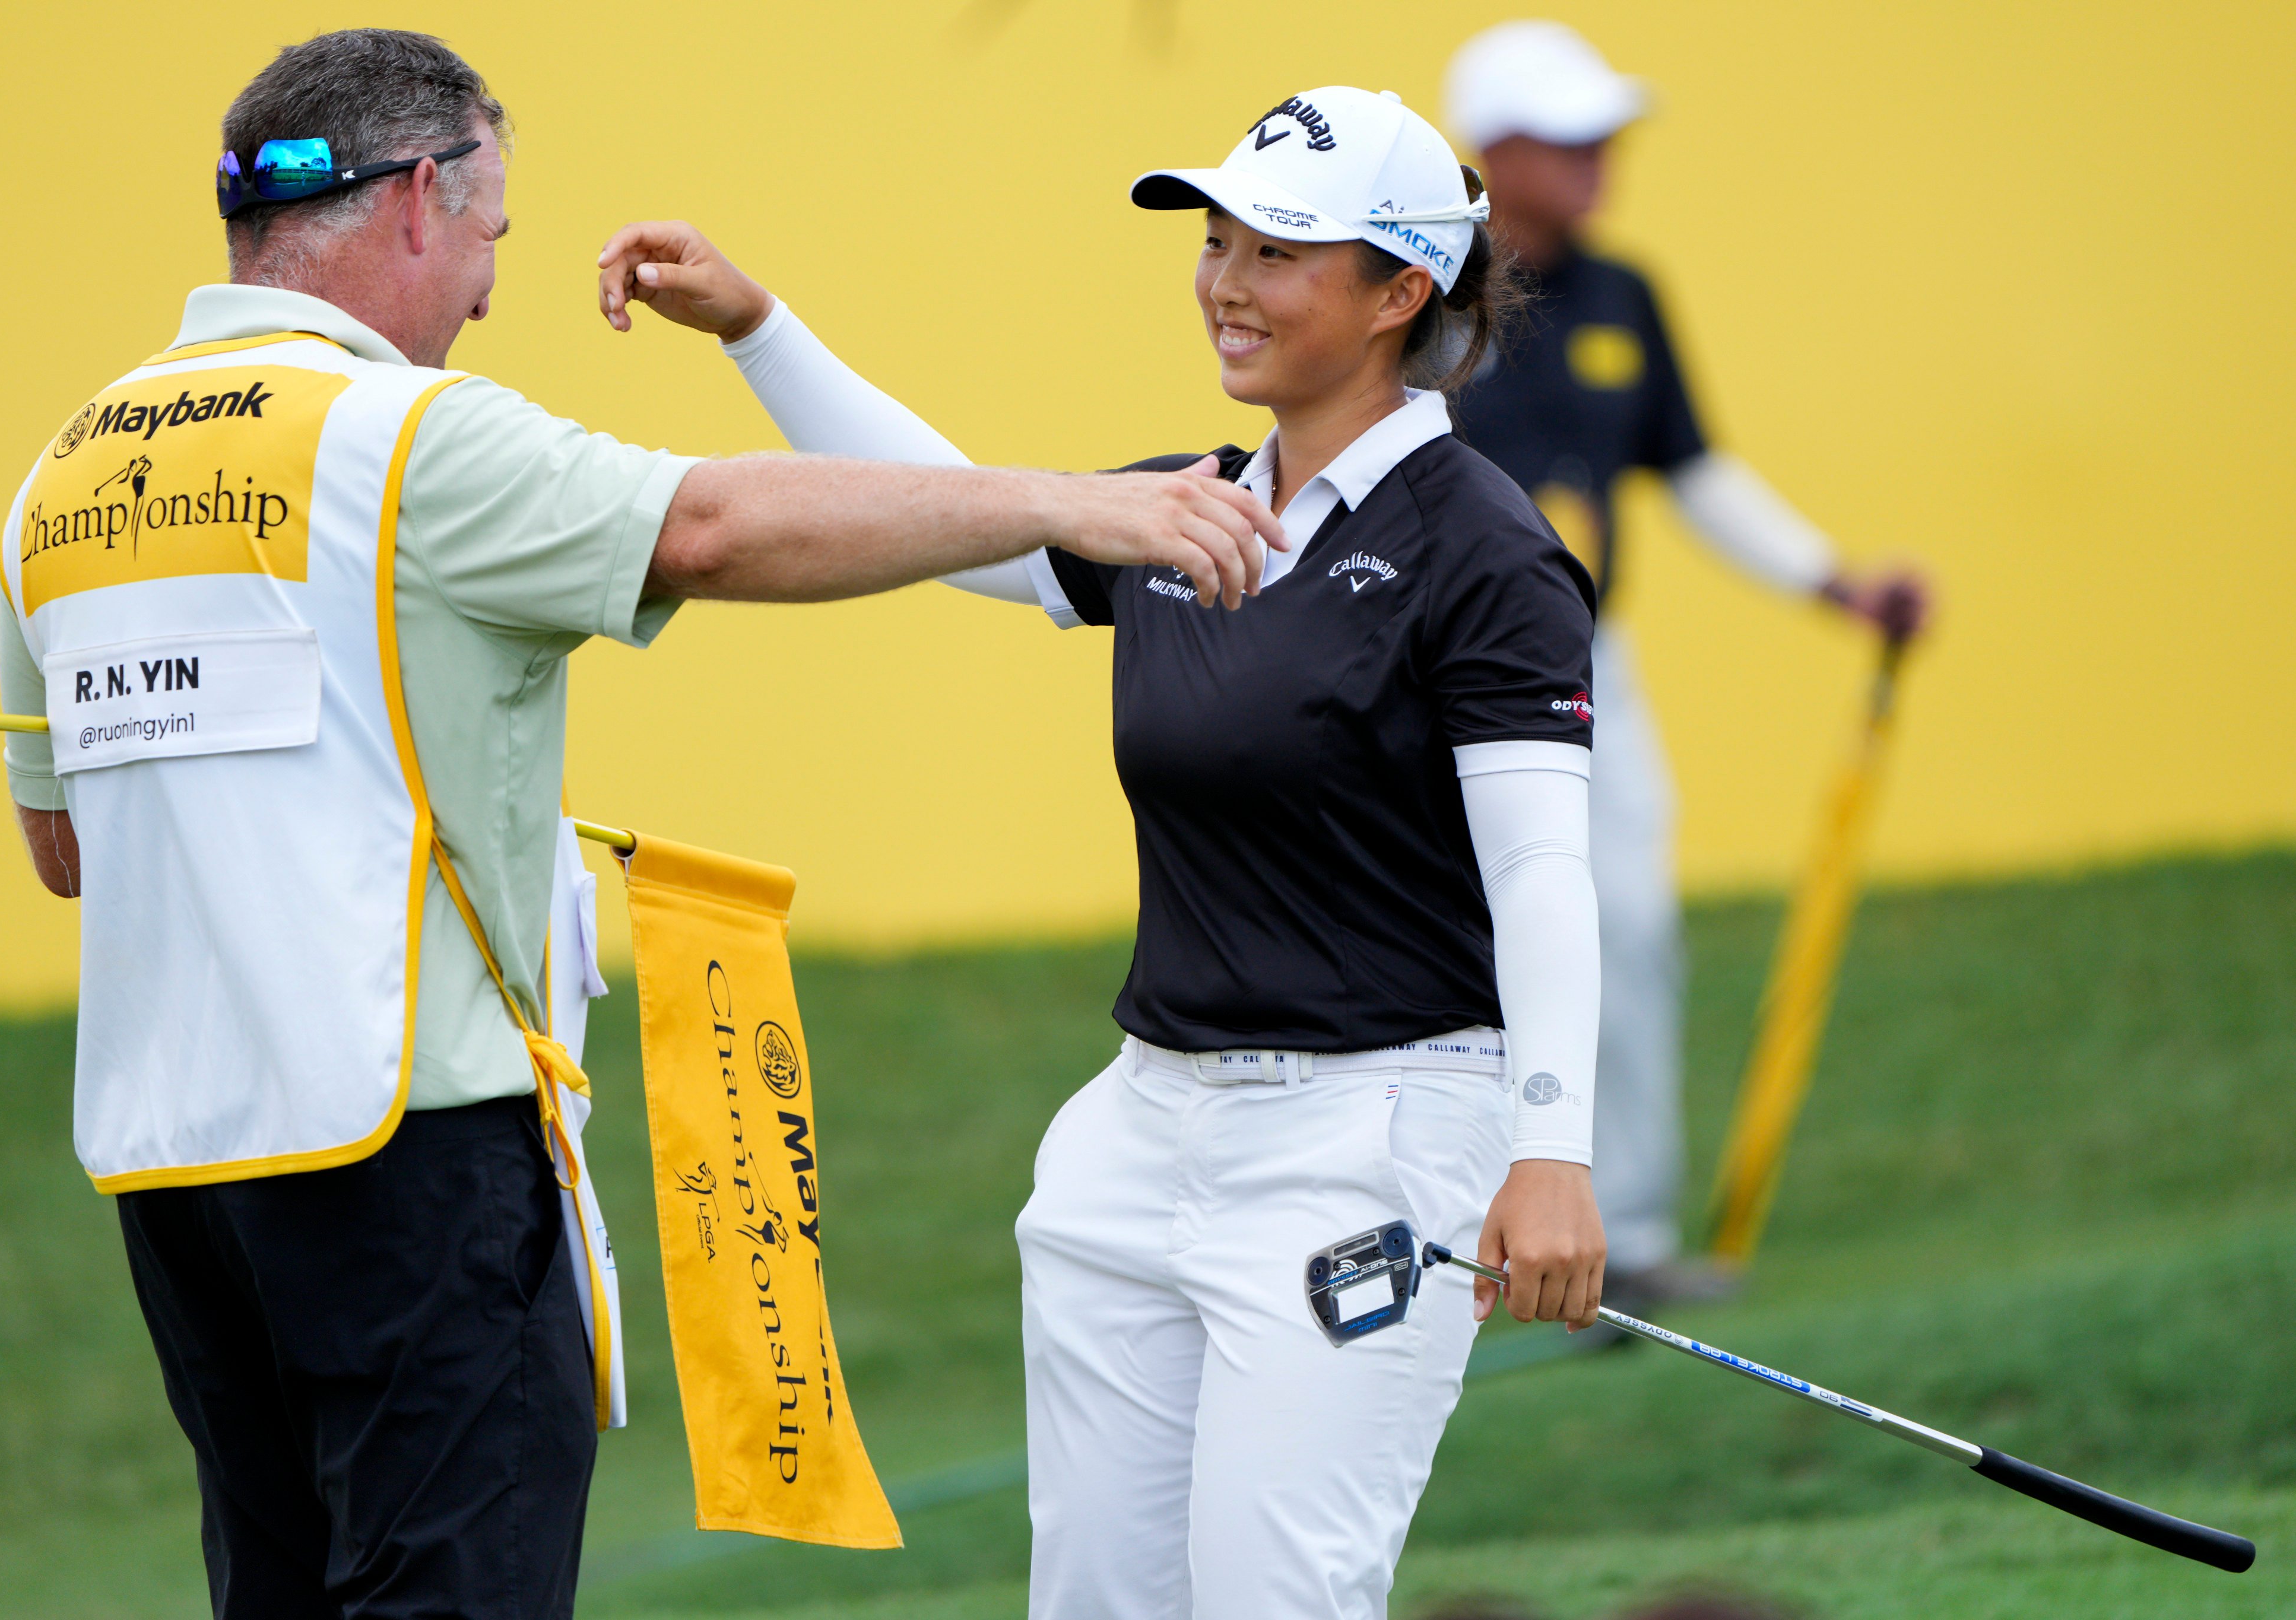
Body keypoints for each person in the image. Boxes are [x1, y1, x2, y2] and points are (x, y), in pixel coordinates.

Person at [0, 29, 1279, 1619]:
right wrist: (1070, 503)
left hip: (175, 1177)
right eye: (487, 237)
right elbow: (717, 524)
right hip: (411, 1146)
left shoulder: (60, 479)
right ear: (413, 201)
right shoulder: (407, 436)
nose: (482, 287)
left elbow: (67, 849)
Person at [598, 86, 1603, 1620]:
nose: (1227, 282)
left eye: (1279, 251)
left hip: (1374, 1141)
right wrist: (756, 326)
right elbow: (954, 517)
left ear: (1403, 290)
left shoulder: (1482, 549)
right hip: (1143, 1134)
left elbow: (1542, 871)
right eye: (1219, 243)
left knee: (1279, 1596)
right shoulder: (1186, 509)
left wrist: (1552, 1151)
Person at [1439, 21, 1932, 1305]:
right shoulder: (1416, 292)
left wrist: (1831, 580)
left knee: (1627, 927)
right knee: (1441, 939)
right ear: (1491, 151)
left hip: (1583, 662)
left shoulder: (1620, 295)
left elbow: (1690, 468)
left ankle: (1625, 1240)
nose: (1602, 157)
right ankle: (1446, 1242)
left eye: (1605, 132)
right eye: (1569, 136)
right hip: (1417, 668)